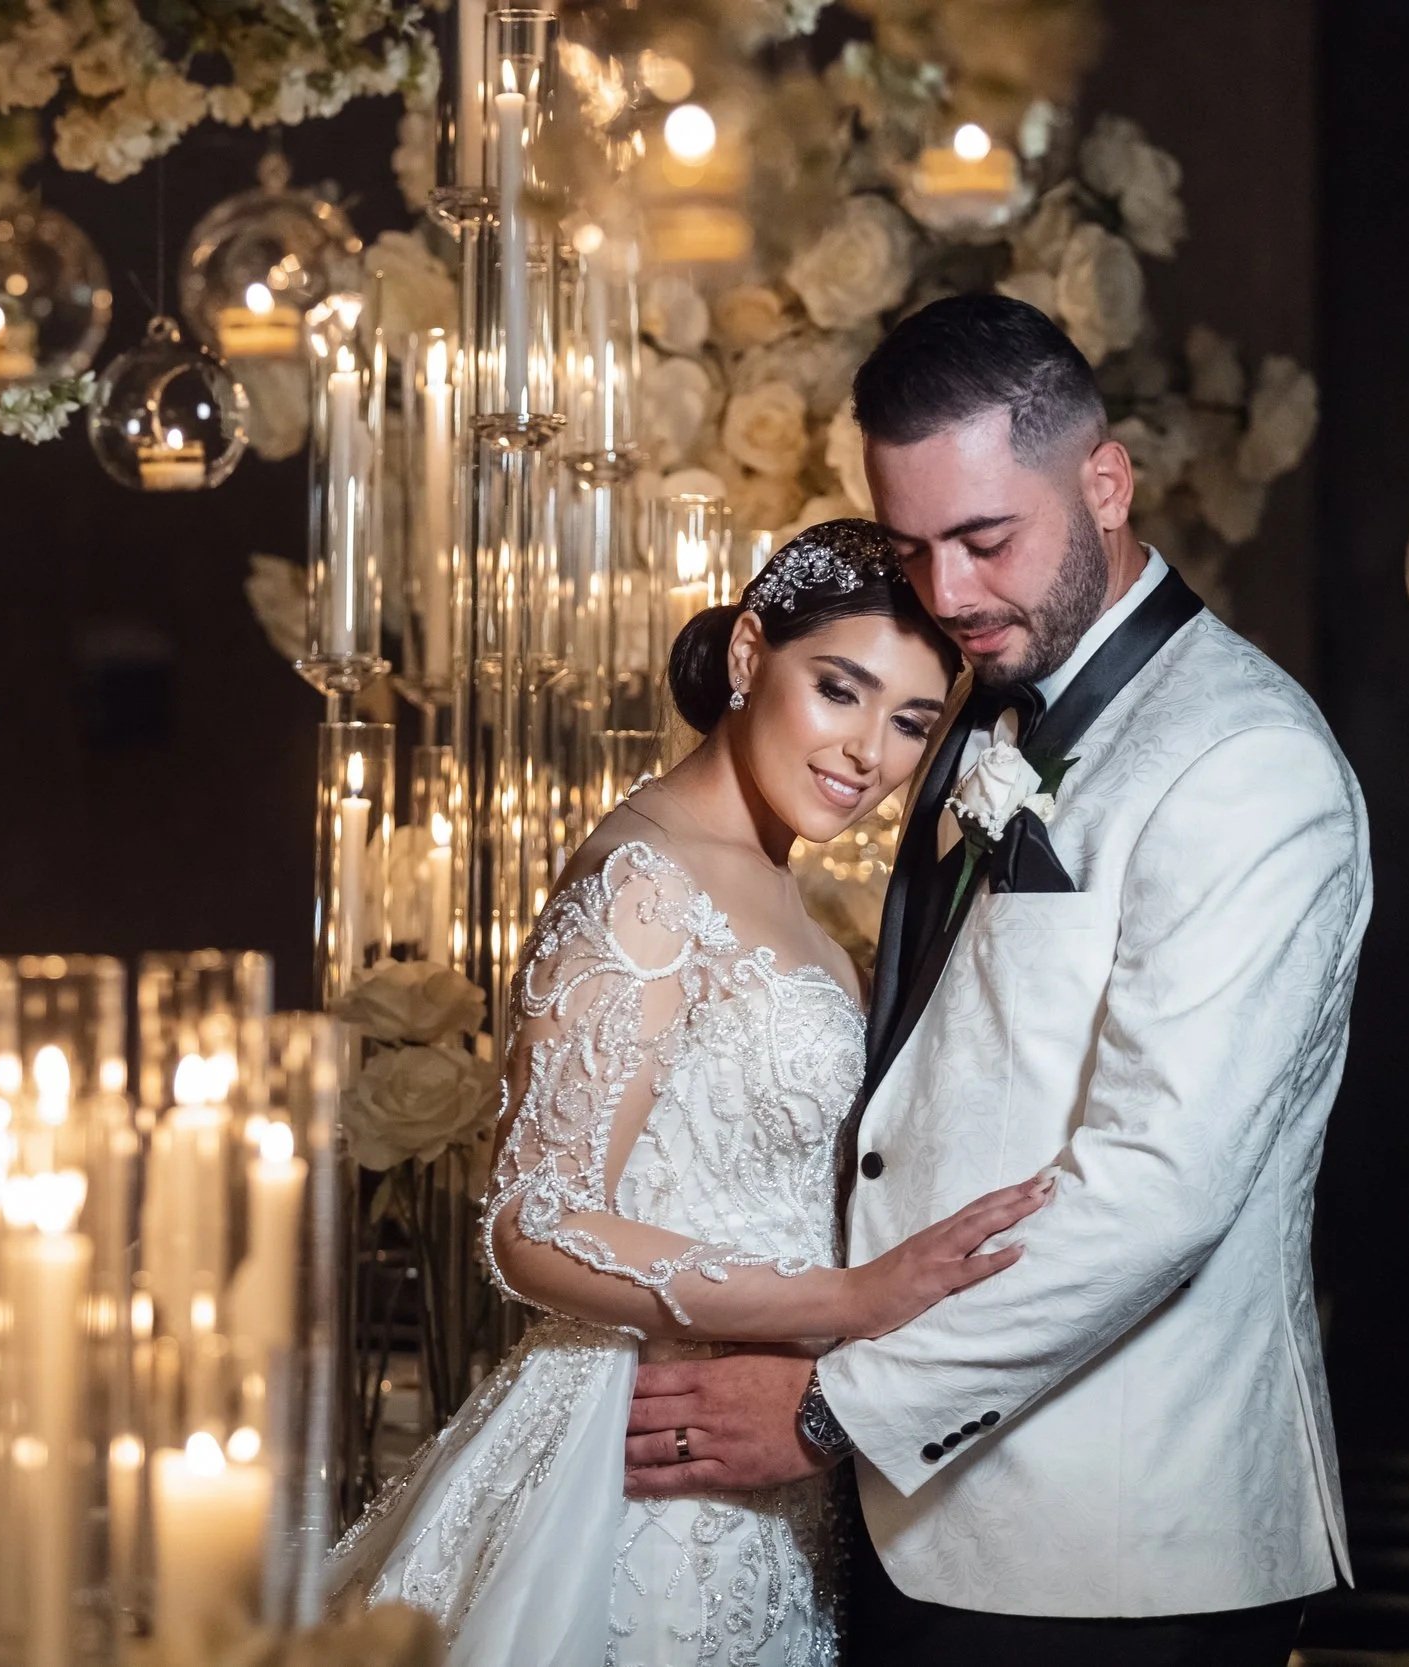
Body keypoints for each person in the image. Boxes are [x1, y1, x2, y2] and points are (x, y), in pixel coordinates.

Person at [620, 295, 1372, 1667]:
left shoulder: (1246, 763)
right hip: (939, 1520)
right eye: (913, 547)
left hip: (1115, 1556)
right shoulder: (989, 705)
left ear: (1105, 480)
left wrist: (828, 1407)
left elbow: (1156, 1190)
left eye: (985, 538)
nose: (950, 592)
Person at [328, 519, 1054, 1665]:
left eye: (911, 720)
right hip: (646, 1460)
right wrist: (844, 1302)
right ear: (747, 652)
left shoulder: (786, 893)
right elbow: (536, 1221)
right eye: (839, 690)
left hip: (768, 1461)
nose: (868, 750)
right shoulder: (645, 878)